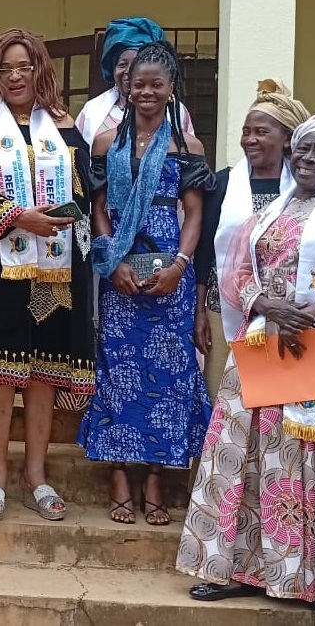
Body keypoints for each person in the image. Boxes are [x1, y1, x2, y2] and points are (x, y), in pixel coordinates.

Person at [177, 111, 315, 617]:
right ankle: (243, 568)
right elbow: (235, 270)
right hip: (266, 343)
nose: (307, 159)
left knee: (314, 462)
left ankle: (312, 580)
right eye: (303, 149)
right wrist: (263, 302)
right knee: (252, 457)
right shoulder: (269, 213)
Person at [0, 29, 95, 523]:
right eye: (5, 68)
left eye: (23, 67)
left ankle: (36, 476)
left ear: (39, 71)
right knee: (1, 376)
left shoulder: (65, 127)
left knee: (44, 376)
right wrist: (15, 217)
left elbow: (87, 191)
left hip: (55, 270)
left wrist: (66, 211)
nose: (15, 77)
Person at [77, 41, 214, 526]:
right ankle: (119, 474)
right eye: (139, 84)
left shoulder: (188, 148)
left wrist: (179, 265)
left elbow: (195, 215)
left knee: (169, 378)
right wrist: (112, 263)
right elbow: (97, 209)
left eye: (157, 84)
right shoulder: (105, 144)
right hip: (122, 275)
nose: (147, 92)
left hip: (170, 277)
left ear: (171, 88)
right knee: (119, 373)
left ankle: (155, 477)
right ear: (126, 87)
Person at [193, 80, 315, 400]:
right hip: (227, 309)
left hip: (298, 313)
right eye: (247, 131)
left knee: (285, 403)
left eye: (261, 132)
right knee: (227, 396)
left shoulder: (312, 186)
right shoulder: (223, 183)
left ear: (289, 139)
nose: (250, 139)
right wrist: (199, 313)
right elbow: (206, 250)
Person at [76, 17, 194, 148]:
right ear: (113, 68)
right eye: (122, 64)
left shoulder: (178, 112)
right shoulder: (92, 111)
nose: (129, 71)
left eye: (136, 64)